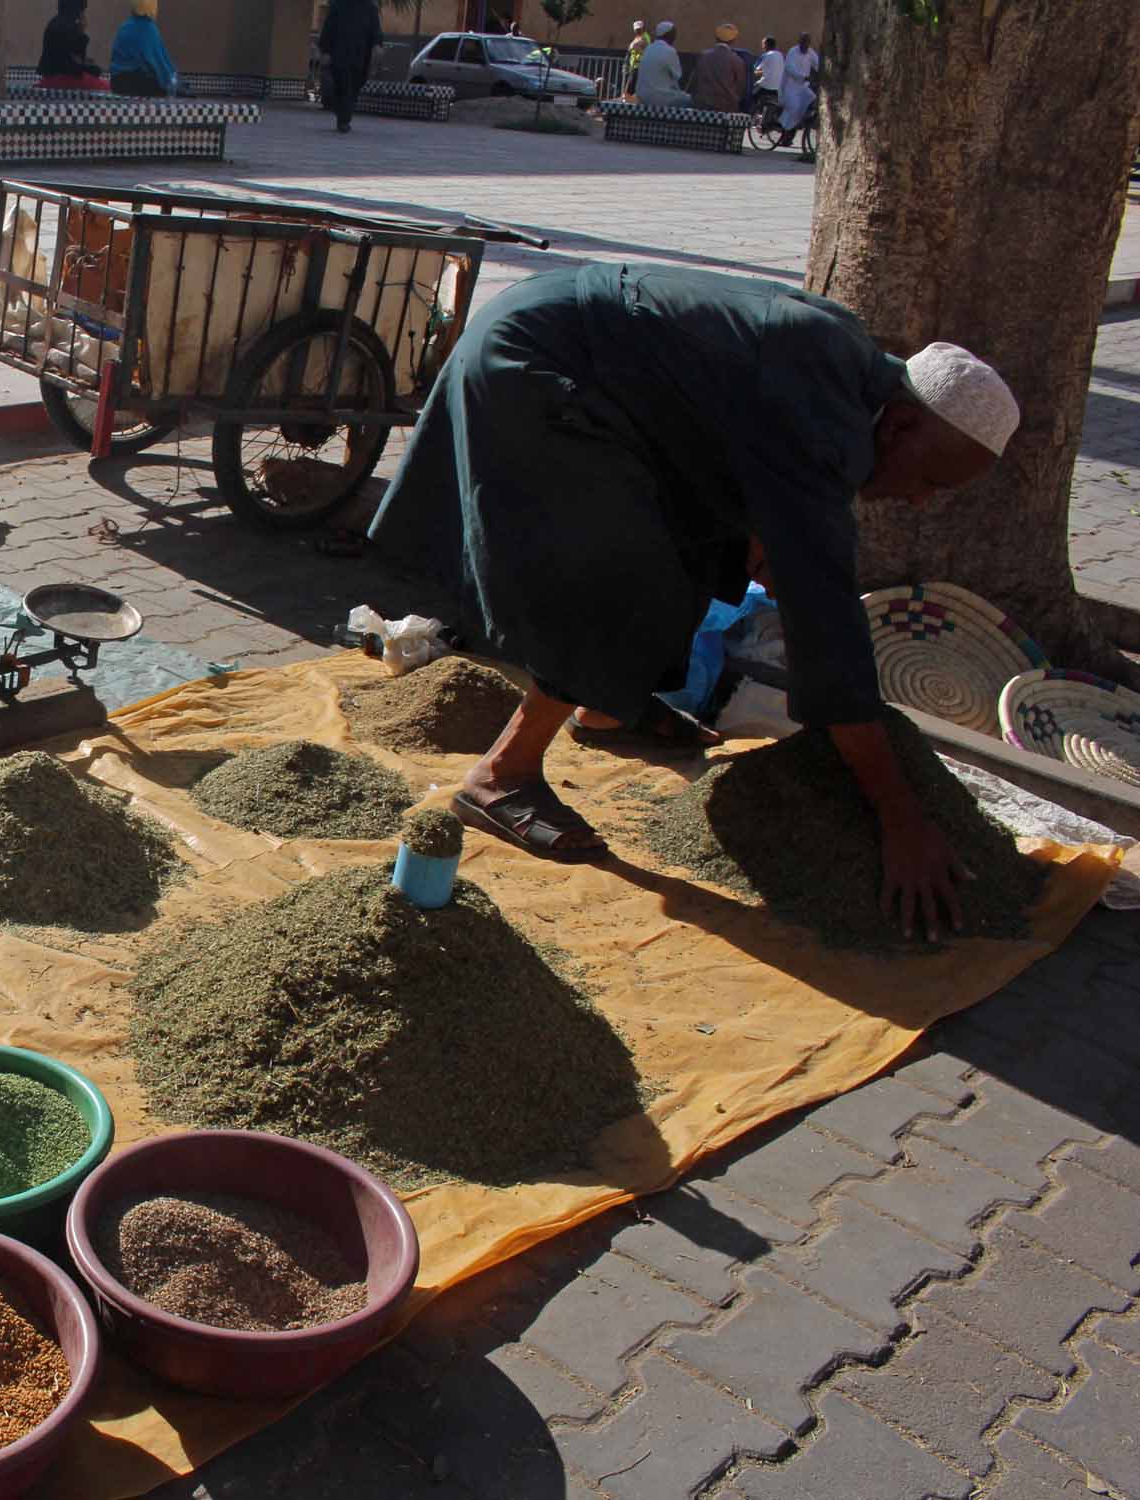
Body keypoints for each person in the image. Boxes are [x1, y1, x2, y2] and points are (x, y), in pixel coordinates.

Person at [367, 264, 1019, 939]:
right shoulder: (826, 420)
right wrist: (901, 818)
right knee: (622, 572)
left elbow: (735, 431)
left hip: (578, 356)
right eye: (931, 481)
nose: (919, 500)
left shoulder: (849, 376)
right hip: (539, 369)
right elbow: (828, 624)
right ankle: (503, 773)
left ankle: (605, 705)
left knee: (702, 544)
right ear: (905, 426)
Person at [317, 0, 384, 134]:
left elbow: (375, 30)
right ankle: (344, 119)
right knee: (342, 85)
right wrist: (325, 51)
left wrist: (377, 45)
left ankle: (344, 115)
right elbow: (328, 28)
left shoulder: (369, 7)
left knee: (354, 86)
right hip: (340, 55)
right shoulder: (338, 5)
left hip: (361, 57)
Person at [110, 0, 181, 97]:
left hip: (116, 83)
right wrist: (171, 81)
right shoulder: (148, 28)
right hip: (138, 84)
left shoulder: (124, 26)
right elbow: (158, 61)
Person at [37, 0, 110, 90]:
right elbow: (73, 63)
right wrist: (82, 32)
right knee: (108, 87)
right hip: (65, 79)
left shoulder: (54, 22)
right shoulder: (70, 26)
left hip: (49, 78)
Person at [693, 22, 747, 112]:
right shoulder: (737, 60)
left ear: (716, 38)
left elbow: (696, 81)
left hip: (703, 107)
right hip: (727, 108)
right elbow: (740, 87)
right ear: (733, 40)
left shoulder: (703, 56)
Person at [635, 22, 690, 109]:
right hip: (659, 97)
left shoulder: (648, 48)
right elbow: (678, 76)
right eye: (673, 35)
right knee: (689, 99)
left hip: (641, 96)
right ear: (668, 35)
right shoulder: (670, 51)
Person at [752, 34, 784, 113]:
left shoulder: (765, 55)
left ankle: (752, 116)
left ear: (766, 45)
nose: (762, 47)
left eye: (763, 44)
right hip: (777, 89)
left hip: (765, 87)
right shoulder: (780, 55)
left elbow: (754, 71)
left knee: (751, 96)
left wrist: (757, 73)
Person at [624, 20, 649, 98]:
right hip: (634, 66)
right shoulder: (638, 37)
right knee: (632, 87)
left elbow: (638, 46)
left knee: (630, 88)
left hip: (639, 66)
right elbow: (632, 47)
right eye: (636, 29)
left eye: (639, 29)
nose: (638, 31)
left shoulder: (644, 37)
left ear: (643, 28)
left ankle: (627, 100)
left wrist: (634, 46)